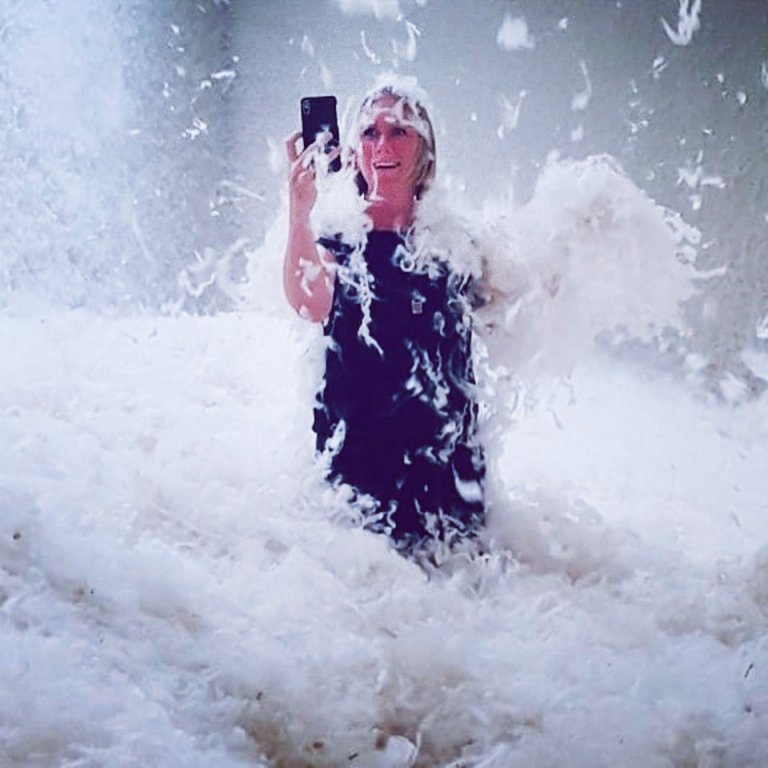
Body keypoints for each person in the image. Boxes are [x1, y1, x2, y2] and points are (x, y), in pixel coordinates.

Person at [283, 79, 486, 556]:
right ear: (353, 149)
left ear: (425, 151)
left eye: (399, 132)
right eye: (370, 133)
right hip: (357, 501)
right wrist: (299, 213)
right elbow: (308, 300)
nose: (382, 146)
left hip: (449, 497)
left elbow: (512, 316)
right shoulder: (338, 238)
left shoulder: (455, 246)